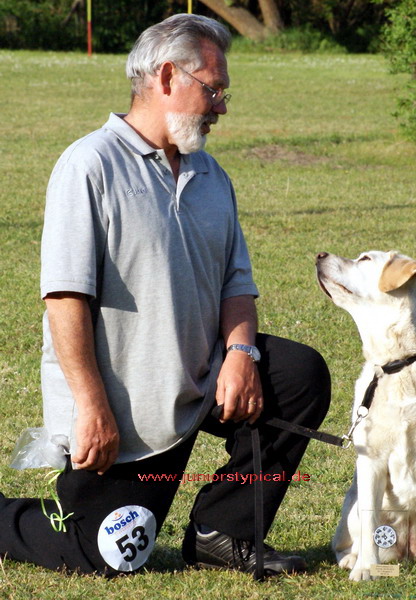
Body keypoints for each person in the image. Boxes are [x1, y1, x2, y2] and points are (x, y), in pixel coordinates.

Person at [0, 14, 330, 578]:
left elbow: (237, 285)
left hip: (203, 384)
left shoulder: (211, 175)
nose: (222, 107)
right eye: (214, 90)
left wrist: (241, 355)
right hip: (125, 415)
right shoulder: (89, 165)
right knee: (103, 556)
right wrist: (91, 407)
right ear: (168, 76)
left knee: (298, 375)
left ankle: (223, 534)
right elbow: (65, 301)